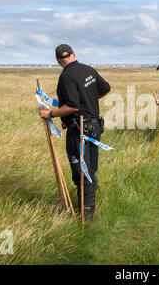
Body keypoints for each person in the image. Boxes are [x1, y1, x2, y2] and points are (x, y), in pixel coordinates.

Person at [39, 44, 111, 222]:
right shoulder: (88, 69)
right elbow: (106, 89)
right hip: (94, 127)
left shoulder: (67, 76)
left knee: (82, 172)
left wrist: (51, 113)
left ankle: (86, 220)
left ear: (57, 60)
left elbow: (72, 106)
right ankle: (90, 213)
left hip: (79, 131)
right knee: (90, 170)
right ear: (73, 54)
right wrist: (89, 100)